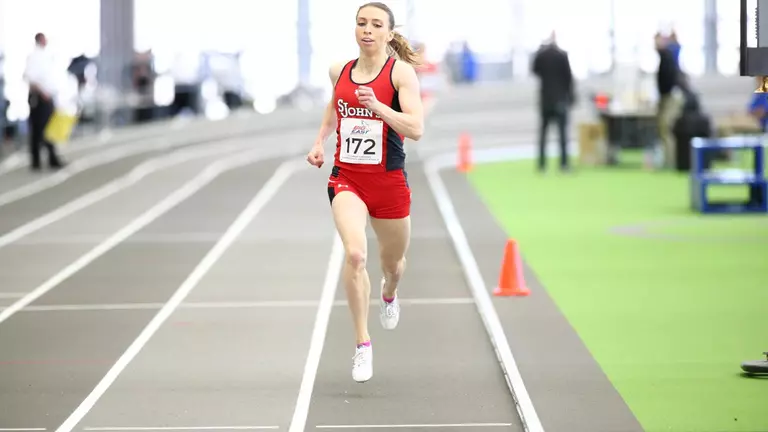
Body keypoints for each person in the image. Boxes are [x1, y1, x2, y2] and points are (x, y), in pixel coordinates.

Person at [306, 1, 424, 383]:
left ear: (388, 33)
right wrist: (320, 141)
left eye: (375, 24)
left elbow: (416, 128)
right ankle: (362, 344)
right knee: (355, 255)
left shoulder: (400, 74)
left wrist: (379, 108)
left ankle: (389, 293)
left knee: (393, 264)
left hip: (388, 182)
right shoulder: (339, 70)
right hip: (348, 179)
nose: (367, 30)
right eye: (361, 23)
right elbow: (335, 106)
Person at [24, 32, 64, 170]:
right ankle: (39, 159)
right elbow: (31, 78)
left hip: (46, 96)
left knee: (47, 128)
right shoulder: (35, 57)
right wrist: (43, 93)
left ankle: (50, 158)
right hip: (40, 98)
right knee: (40, 129)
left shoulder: (45, 56)